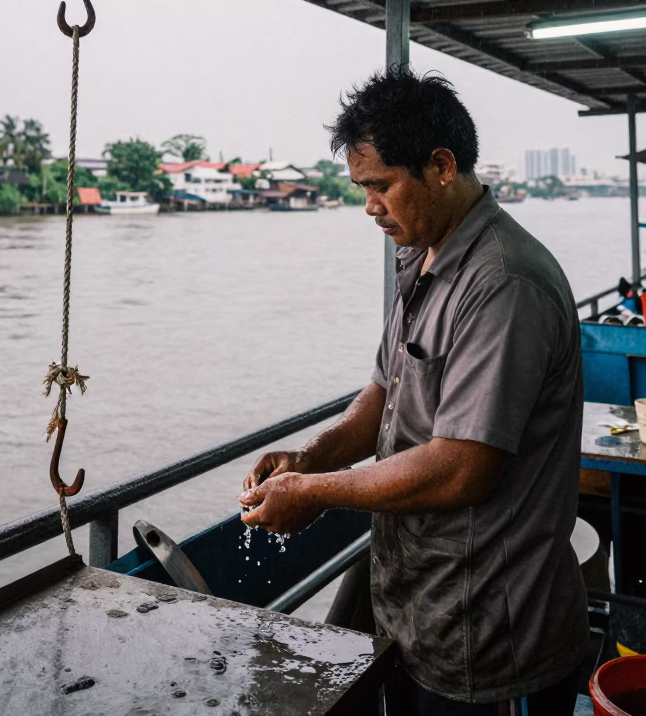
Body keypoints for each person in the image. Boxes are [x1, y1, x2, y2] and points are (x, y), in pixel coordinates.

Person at [239, 68, 588, 714]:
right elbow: (381, 397)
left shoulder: (504, 284)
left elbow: (462, 469)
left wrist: (314, 494)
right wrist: (309, 459)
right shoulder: (425, 258)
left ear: (442, 166)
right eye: (362, 188)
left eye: (381, 186)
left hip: (490, 637)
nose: (370, 206)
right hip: (417, 613)